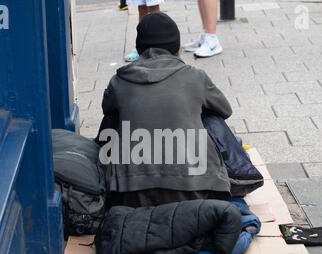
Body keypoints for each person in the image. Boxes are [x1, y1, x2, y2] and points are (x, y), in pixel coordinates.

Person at [98, 12, 233, 208]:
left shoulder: (119, 80)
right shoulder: (195, 76)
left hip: (131, 195)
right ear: (176, 48)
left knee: (114, 116)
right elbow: (225, 110)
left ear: (139, 48)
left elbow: (105, 109)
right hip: (197, 190)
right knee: (207, 112)